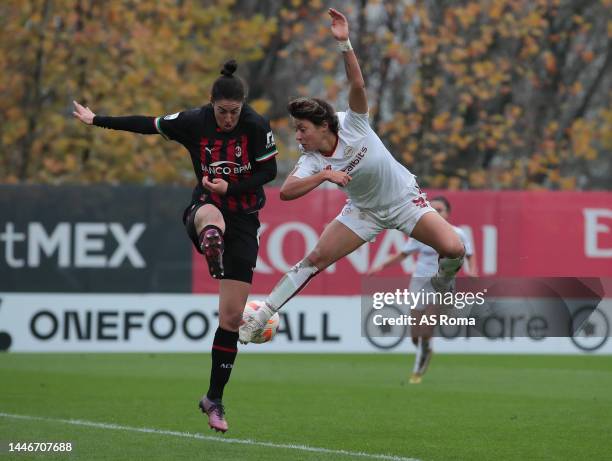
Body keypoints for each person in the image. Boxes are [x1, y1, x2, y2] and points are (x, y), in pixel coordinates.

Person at [73, 60, 278, 433]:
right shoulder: (193, 121)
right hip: (205, 208)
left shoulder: (257, 125)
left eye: (234, 112)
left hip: (246, 219)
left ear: (243, 106)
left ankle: (213, 399)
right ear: (211, 104)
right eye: (222, 111)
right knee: (211, 219)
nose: (229, 119)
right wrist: (97, 119)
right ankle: (210, 242)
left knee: (231, 320)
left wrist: (231, 188)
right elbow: (147, 124)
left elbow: (269, 173)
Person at [239, 9, 465, 344]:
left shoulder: (352, 123)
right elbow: (286, 191)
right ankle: (259, 318)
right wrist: (325, 175)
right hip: (364, 212)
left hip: (403, 200)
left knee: (454, 248)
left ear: (324, 126)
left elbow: (357, 84)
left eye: (302, 130)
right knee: (315, 259)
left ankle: (443, 285)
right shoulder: (313, 159)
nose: (298, 137)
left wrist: (344, 42)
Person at [368, 196, 478, 384]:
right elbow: (403, 255)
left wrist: (473, 272)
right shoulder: (422, 233)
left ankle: (417, 372)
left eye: (440, 209)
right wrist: (381, 266)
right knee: (415, 335)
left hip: (442, 286)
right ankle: (426, 350)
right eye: (432, 209)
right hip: (419, 285)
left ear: (448, 213)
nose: (436, 212)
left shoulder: (458, 233)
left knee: (426, 330)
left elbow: (469, 255)